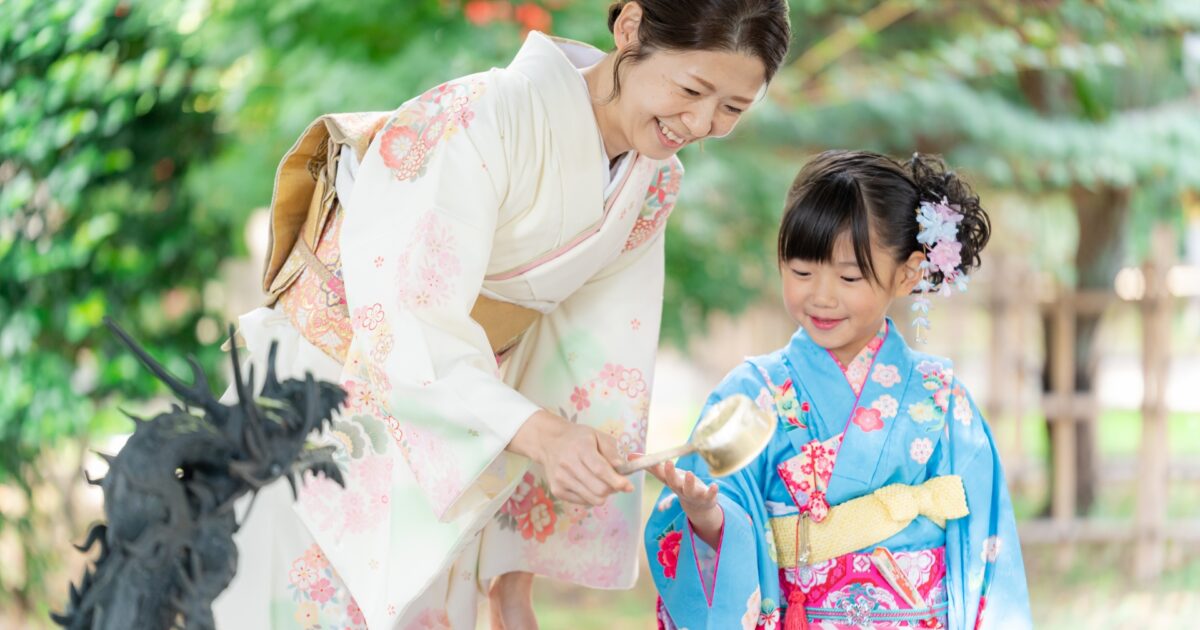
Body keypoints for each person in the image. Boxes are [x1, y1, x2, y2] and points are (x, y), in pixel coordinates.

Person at [211, 2, 792, 629]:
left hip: (464, 441)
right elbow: (409, 319)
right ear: (631, 30)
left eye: (733, 108)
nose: (701, 121)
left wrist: (512, 583)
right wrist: (540, 435)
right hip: (323, 410)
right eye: (691, 88)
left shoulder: (650, 185)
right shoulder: (475, 117)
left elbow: (584, 379)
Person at [642, 151, 1033, 629]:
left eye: (849, 276)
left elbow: (986, 551)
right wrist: (707, 518)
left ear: (907, 273)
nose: (821, 296)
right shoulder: (751, 394)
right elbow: (708, 538)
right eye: (801, 272)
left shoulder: (941, 400)